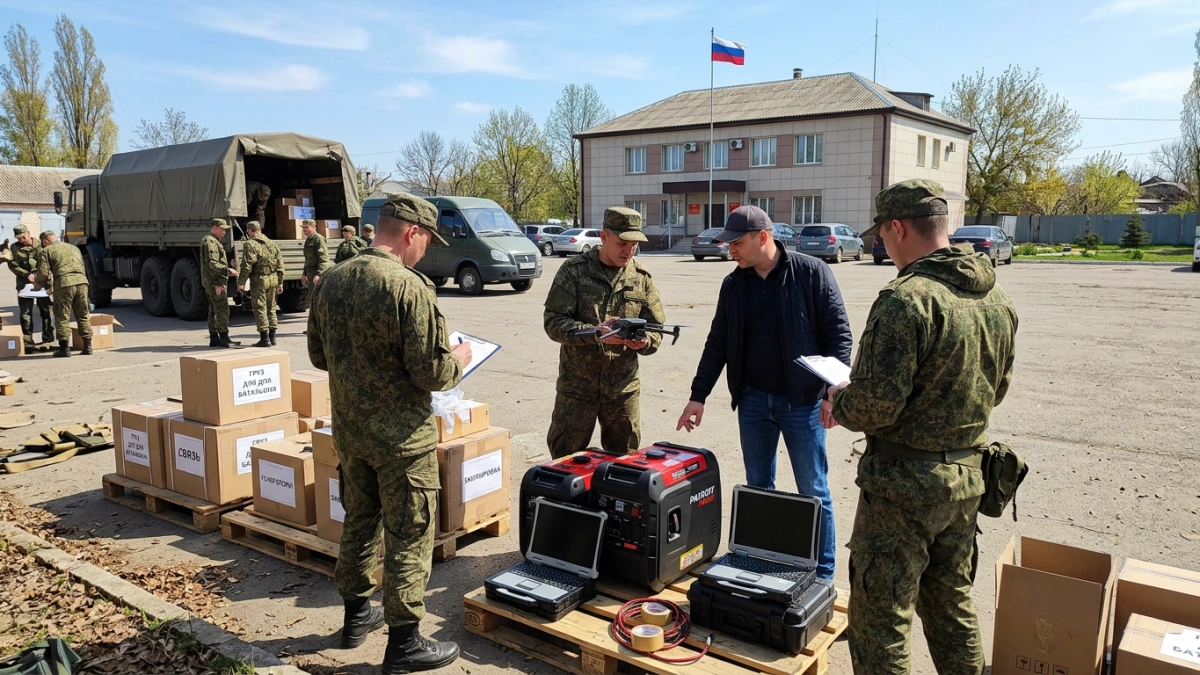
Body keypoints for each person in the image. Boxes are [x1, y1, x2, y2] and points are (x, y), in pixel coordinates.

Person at [823, 179, 1017, 675]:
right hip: (967, 482)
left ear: (896, 227)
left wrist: (839, 400)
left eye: (881, 237)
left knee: (881, 617)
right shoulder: (997, 301)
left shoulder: (906, 300)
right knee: (950, 602)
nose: (880, 247)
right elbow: (995, 391)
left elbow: (874, 406)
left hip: (902, 492)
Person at [307, 193, 473, 673]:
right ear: (410, 233)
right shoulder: (408, 288)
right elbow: (430, 373)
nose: (426, 251)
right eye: (427, 240)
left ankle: (357, 618)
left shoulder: (331, 282)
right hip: (403, 441)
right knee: (411, 534)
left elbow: (320, 357)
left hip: (352, 434)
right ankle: (404, 644)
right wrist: (457, 361)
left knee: (359, 521)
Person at [675, 205, 851, 580]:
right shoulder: (734, 283)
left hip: (802, 403)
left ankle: (823, 576)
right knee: (758, 488)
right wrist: (698, 395)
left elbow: (839, 335)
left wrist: (833, 392)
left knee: (814, 490)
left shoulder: (811, 273)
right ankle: (762, 562)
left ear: (763, 237)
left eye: (737, 243)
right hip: (753, 402)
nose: (730, 251)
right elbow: (717, 342)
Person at [543, 206, 665, 458]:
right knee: (565, 460)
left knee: (625, 462)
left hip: (622, 391)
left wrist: (644, 342)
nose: (629, 251)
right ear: (604, 236)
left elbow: (657, 330)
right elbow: (553, 322)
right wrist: (592, 332)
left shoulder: (641, 277)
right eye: (622, 243)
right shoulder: (574, 271)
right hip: (577, 389)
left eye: (634, 244)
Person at [34, 231, 91, 358]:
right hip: (82, 282)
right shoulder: (74, 248)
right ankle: (88, 345)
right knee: (83, 314)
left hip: (64, 284)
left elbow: (43, 273)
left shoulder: (46, 251)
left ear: (45, 241)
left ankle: (64, 348)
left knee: (62, 316)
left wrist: (37, 284)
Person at [238, 221, 284, 347]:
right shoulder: (272, 244)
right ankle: (273, 337)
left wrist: (241, 282)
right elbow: (280, 265)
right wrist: (280, 282)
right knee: (272, 307)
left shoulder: (250, 244)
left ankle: (264, 338)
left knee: (260, 308)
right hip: (273, 278)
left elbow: (247, 265)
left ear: (249, 231)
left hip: (260, 280)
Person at [6, 225, 53, 350]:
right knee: (26, 313)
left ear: (29, 233)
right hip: (24, 284)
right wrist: (27, 274)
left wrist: (39, 276)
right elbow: (13, 265)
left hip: (42, 283)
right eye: (19, 238)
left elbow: (47, 262)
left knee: (46, 311)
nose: (21, 240)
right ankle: (28, 342)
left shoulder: (40, 245)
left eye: (23, 237)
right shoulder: (14, 247)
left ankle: (48, 340)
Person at [200, 219, 239, 348]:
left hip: (211, 281)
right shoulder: (211, 242)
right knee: (222, 309)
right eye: (222, 229)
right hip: (215, 282)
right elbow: (212, 264)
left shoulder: (212, 241)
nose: (224, 232)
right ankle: (224, 338)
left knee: (213, 310)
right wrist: (227, 271)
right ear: (215, 228)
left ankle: (214, 338)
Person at [301, 219, 330, 288]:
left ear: (313, 227)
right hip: (310, 275)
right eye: (303, 227)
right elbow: (308, 259)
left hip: (316, 275)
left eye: (306, 227)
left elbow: (324, 259)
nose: (304, 229)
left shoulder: (318, 239)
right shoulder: (308, 240)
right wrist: (304, 274)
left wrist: (319, 274)